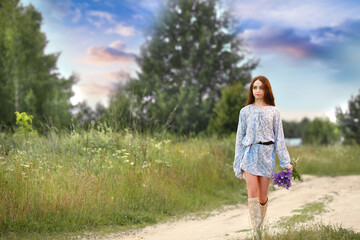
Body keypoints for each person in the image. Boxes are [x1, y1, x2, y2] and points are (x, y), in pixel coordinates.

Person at [233, 75, 293, 238]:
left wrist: (285, 162)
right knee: (252, 193)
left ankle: (260, 225)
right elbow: (239, 138)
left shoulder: (274, 111)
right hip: (250, 154)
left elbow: (279, 138)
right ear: (251, 90)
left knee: (263, 196)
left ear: (266, 90)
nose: (257, 91)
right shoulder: (245, 112)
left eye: (261, 87)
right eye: (255, 87)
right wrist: (237, 163)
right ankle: (256, 232)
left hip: (267, 156)